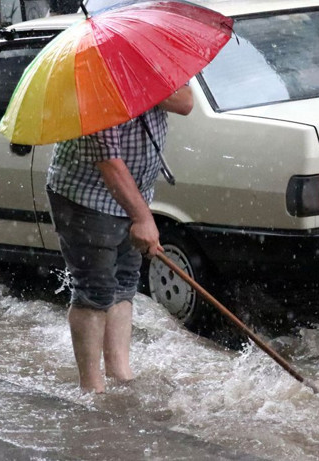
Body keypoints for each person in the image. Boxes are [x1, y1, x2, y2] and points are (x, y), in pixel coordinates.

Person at [47, 85, 193, 393]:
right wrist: (142, 218)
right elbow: (109, 163)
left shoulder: (144, 70)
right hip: (86, 197)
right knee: (95, 290)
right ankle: (92, 389)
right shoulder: (94, 85)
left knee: (124, 283)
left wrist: (137, 86)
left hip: (134, 194)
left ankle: (120, 375)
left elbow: (185, 102)